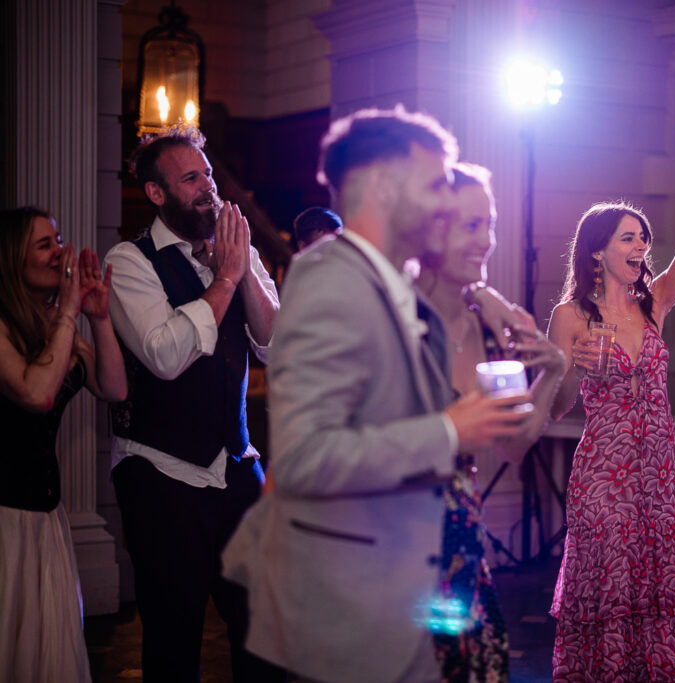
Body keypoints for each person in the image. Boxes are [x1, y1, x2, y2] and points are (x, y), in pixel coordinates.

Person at [221, 106, 534, 683]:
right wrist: (449, 430)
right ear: (385, 189)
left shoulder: (400, 292)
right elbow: (305, 457)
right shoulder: (329, 281)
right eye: (435, 185)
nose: (447, 203)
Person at [104, 125, 282, 681]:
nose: (207, 187)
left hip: (237, 464)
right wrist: (225, 279)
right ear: (157, 193)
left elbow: (275, 345)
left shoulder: (236, 251)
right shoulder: (129, 261)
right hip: (161, 470)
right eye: (190, 179)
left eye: (207, 174)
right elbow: (164, 356)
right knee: (173, 638)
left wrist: (242, 267)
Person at [546, 124, 675, 681]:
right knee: (614, 592)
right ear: (597, 250)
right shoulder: (570, 316)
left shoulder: (655, 303)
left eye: (643, 237)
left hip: (658, 476)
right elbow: (555, 407)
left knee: (661, 588)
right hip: (605, 475)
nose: (641, 245)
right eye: (627, 237)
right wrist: (576, 368)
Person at [417, 162, 566, 681]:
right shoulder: (395, 317)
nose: (486, 240)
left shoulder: (488, 326)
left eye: (491, 224)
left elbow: (513, 446)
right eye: (471, 225)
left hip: (461, 545)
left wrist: (552, 372)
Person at [0, 207, 127, 681]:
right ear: (13, 261)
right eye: (45, 245)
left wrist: (99, 317)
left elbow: (114, 388)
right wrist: (69, 313)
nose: (60, 252)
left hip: (45, 516)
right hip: (5, 518)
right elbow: (37, 394)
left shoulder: (58, 325)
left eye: (58, 240)